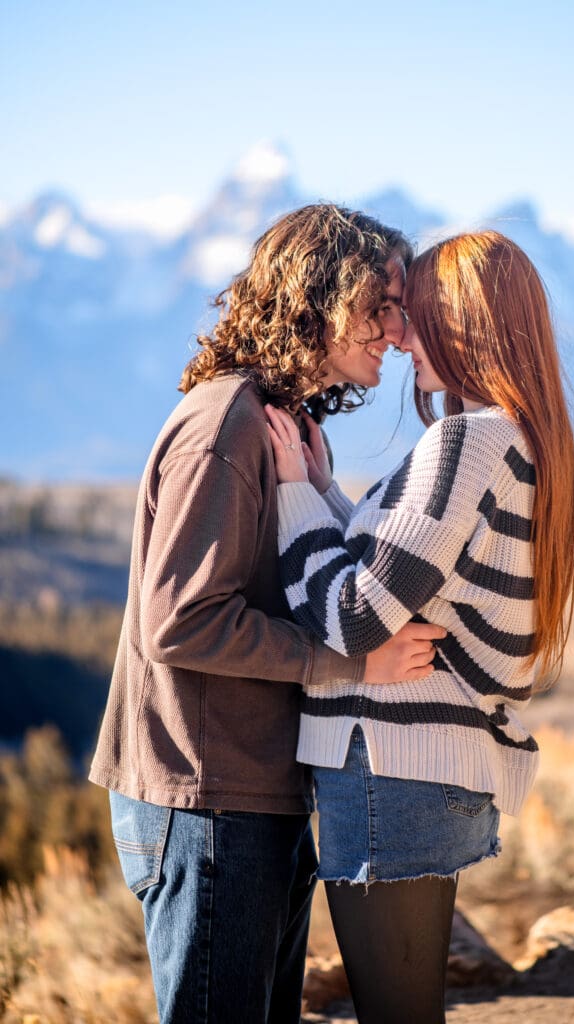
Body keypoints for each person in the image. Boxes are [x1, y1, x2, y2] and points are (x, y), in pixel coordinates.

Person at [88, 203, 446, 1024]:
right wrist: (357, 666)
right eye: (379, 307)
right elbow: (178, 623)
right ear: (315, 298)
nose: (396, 335)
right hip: (207, 799)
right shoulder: (227, 426)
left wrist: (315, 493)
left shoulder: (280, 426)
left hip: (253, 792)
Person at [266, 229, 574, 1024]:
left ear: (467, 324)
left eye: (418, 314)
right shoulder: (517, 438)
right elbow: (398, 571)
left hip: (388, 766)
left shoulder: (464, 441)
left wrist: (288, 495)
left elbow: (353, 615)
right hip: (427, 769)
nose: (400, 336)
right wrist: (327, 492)